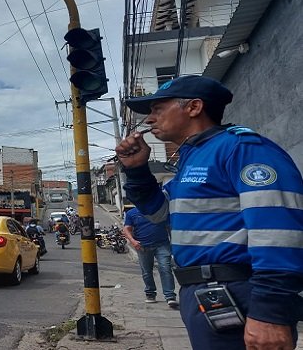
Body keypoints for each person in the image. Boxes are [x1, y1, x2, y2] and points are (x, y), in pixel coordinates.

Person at [115, 75, 303, 350]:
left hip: (238, 292)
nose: (149, 120)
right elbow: (160, 216)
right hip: (207, 295)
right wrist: (136, 170)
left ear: (193, 107)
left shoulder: (242, 148)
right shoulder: (192, 158)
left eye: (157, 109)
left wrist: (269, 312)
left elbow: (278, 230)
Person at [122, 206, 178, 308]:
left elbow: (169, 226)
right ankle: (150, 293)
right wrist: (133, 241)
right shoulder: (132, 213)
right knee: (147, 271)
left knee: (165, 268)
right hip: (142, 246)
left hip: (162, 244)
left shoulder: (160, 211)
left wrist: (173, 243)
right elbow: (127, 229)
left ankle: (170, 296)